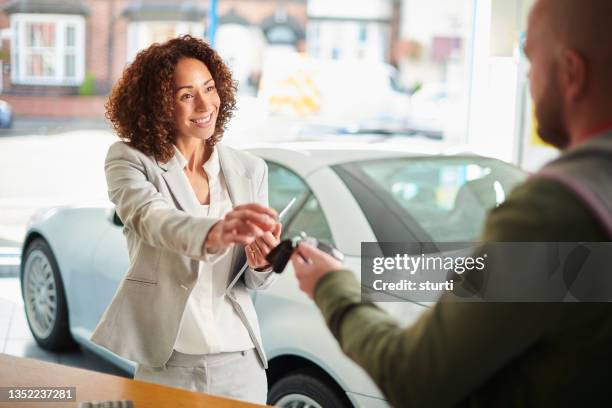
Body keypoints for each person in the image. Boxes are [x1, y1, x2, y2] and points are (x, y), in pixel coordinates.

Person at [292, 0, 612, 406]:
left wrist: (331, 286)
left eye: (532, 62)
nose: (528, 79)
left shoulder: (552, 213)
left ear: (571, 73)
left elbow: (414, 377)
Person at [91, 35, 281, 404]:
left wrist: (262, 265)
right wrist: (216, 231)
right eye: (186, 94)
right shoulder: (129, 160)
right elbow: (152, 219)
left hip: (241, 362)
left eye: (210, 88)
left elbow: (254, 283)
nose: (206, 103)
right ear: (160, 104)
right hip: (169, 365)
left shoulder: (249, 169)